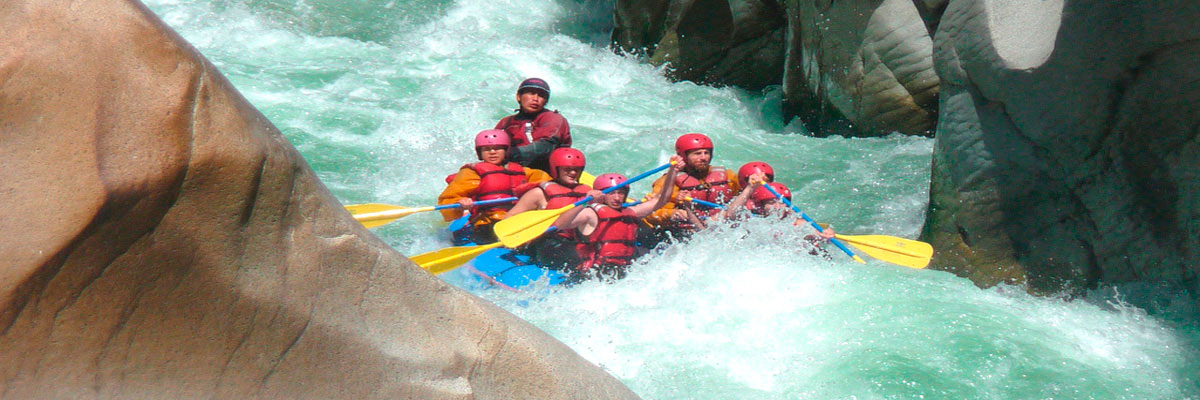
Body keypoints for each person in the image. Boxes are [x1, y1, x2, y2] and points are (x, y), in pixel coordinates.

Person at [554, 155, 684, 281]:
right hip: (595, 274)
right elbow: (560, 224)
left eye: (621, 193)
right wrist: (583, 202)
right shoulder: (590, 213)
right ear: (602, 195)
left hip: (622, 271)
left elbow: (662, 200)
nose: (617, 198)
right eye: (612, 193)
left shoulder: (631, 212)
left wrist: (673, 171)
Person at [438, 129, 551, 244]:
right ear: (480, 153)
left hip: (517, 219)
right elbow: (447, 201)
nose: (492, 152)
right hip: (487, 222)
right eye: (487, 149)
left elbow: (549, 182)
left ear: (506, 151)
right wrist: (460, 204)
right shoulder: (471, 173)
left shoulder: (522, 171)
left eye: (498, 148)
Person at [641, 133, 742, 242]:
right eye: (697, 154)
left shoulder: (728, 176)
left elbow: (743, 199)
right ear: (683, 156)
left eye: (706, 153)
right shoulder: (669, 181)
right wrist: (672, 214)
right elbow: (652, 213)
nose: (703, 158)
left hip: (721, 227)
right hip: (687, 234)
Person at [506, 148, 592, 270]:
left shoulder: (587, 191)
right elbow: (509, 218)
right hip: (550, 243)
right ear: (556, 170)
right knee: (566, 253)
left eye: (577, 170)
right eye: (567, 169)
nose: (573, 173)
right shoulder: (539, 193)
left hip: (579, 241)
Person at [494, 77, 571, 172]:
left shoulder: (552, 118)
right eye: (531, 93)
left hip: (544, 171)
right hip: (514, 168)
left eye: (541, 95)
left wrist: (509, 154)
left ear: (546, 101)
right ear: (518, 97)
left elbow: (544, 148)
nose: (535, 99)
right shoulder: (506, 122)